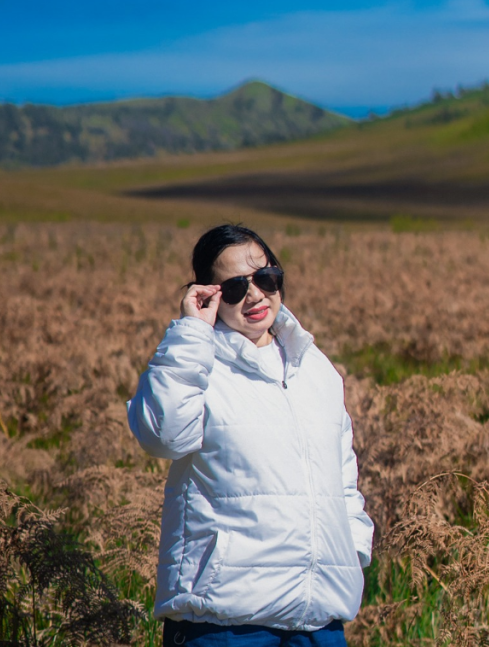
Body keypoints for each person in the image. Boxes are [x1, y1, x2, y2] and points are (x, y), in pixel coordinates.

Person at [127, 224, 374, 647]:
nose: (256, 294)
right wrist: (192, 334)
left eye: (265, 278)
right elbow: (161, 436)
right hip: (225, 622)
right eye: (236, 286)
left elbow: (343, 479)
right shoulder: (198, 362)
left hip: (318, 622)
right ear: (210, 294)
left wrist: (351, 555)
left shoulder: (316, 369)